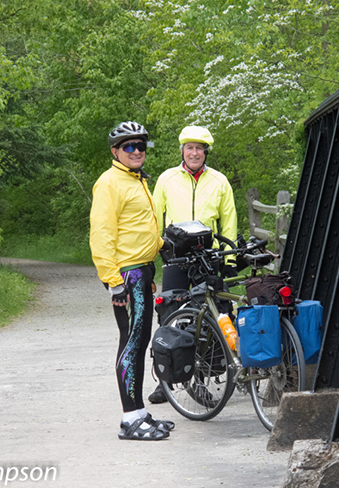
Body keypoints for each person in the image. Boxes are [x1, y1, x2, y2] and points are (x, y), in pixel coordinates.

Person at [89, 121, 175, 440]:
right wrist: (113, 281)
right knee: (131, 342)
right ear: (115, 151)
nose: (137, 151)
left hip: (143, 270)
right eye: (129, 146)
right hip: (128, 275)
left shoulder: (135, 180)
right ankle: (129, 420)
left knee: (140, 344)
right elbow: (102, 234)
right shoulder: (110, 183)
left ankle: (139, 412)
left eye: (141, 145)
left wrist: (164, 244)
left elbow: (137, 227)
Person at [149, 125, 237, 404]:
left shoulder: (219, 181)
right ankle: (166, 379)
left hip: (207, 258)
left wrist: (230, 259)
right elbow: (153, 217)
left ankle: (201, 375)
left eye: (199, 148)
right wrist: (156, 250)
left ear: (205, 151)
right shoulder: (167, 179)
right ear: (182, 151)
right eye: (190, 147)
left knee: (207, 317)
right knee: (169, 314)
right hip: (175, 257)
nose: (195, 152)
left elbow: (229, 221)